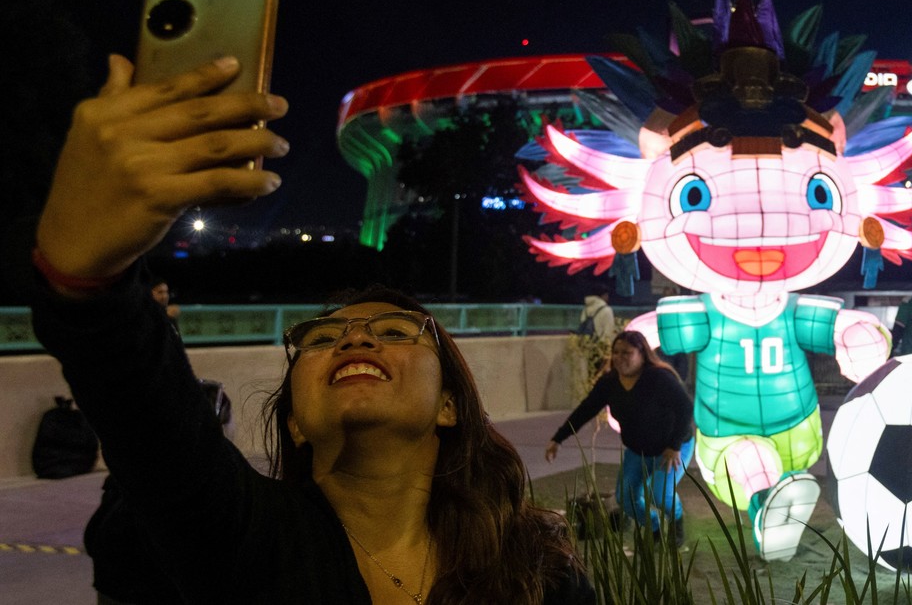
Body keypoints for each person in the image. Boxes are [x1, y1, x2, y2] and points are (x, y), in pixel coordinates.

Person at [27, 56, 593, 604]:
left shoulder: (539, 575)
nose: (355, 339)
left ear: (449, 404)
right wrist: (87, 275)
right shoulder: (243, 545)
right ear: (295, 422)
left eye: (396, 331)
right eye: (320, 340)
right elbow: (148, 414)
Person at [545, 331, 695, 546]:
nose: (619, 357)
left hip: (671, 447)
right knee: (626, 498)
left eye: (627, 353)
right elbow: (586, 410)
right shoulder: (610, 382)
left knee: (660, 493)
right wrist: (558, 439)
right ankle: (654, 527)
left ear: (642, 354)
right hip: (638, 450)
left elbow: (685, 408)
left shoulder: (658, 377)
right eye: (616, 352)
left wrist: (674, 446)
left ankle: (676, 523)